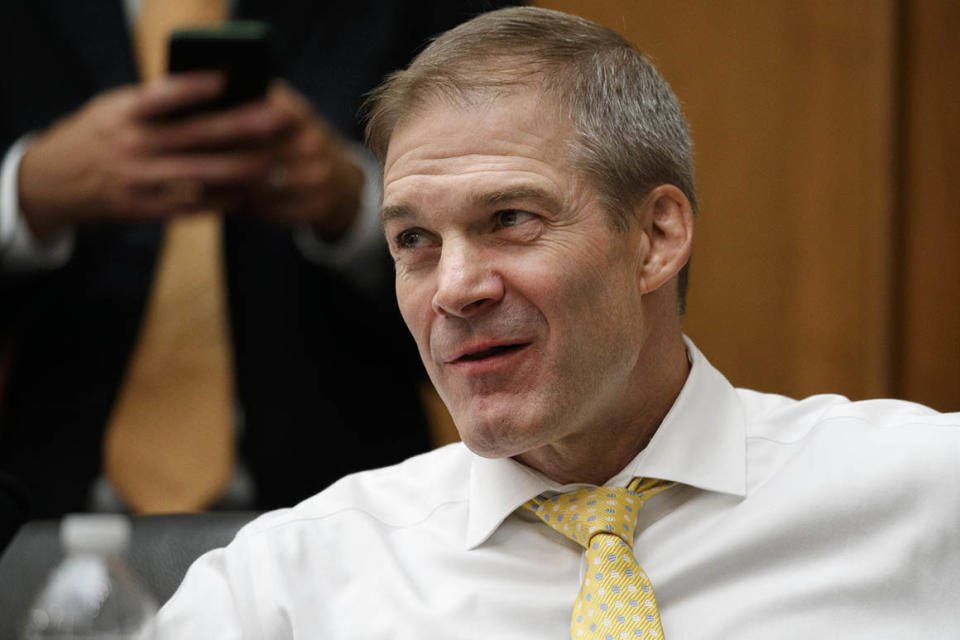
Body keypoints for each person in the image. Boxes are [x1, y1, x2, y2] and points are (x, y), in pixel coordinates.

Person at [154, 7, 960, 638]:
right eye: (414, 242)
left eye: (510, 218)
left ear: (656, 238)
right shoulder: (286, 584)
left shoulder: (925, 493)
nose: (457, 289)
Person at [0, 1, 517, 517]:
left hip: (343, 500)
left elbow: (517, 193)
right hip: (41, 498)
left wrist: (362, 209)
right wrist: (21, 196)